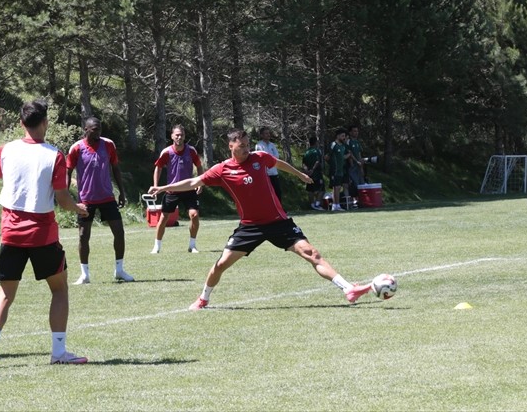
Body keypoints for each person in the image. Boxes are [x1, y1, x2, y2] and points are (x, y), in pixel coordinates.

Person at [149, 129, 379, 310]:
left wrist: (300, 174)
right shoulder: (222, 170)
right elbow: (193, 182)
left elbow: (278, 163)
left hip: (279, 223)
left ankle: (348, 289)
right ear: (231, 147)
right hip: (250, 227)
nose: (246, 149)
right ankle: (203, 299)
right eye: (241, 146)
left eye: (247, 144)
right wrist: (163, 188)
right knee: (220, 265)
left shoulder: (260, 158)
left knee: (312, 254)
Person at [0, 99, 91, 367]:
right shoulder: (54, 155)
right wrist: (78, 208)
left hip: (10, 232)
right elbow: (62, 198)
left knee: (4, 295)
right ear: (45, 122)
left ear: (21, 123)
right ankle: (58, 353)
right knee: (60, 289)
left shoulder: (7, 149)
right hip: (42, 234)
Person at [67, 117, 133, 283]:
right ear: (86, 129)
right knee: (83, 236)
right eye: (95, 129)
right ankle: (85, 275)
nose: (98, 132)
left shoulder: (108, 144)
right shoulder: (76, 148)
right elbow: (67, 172)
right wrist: (66, 196)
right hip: (86, 200)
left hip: (107, 197)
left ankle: (119, 270)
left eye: (100, 129)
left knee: (119, 232)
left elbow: (115, 168)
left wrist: (122, 192)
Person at [151, 124, 203, 254]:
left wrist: (200, 183)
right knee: (164, 218)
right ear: (172, 136)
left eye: (182, 135)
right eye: (177, 135)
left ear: (184, 136)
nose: (179, 137)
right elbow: (158, 168)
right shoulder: (167, 152)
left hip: (189, 190)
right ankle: (157, 246)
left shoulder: (191, 151)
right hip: (172, 191)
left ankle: (192, 245)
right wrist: (156, 186)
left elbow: (199, 166)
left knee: (194, 215)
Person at [252, 127, 283, 202]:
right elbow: (261, 158)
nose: (268, 135)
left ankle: (279, 207)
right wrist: (269, 158)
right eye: (266, 133)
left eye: (269, 133)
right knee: (268, 193)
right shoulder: (259, 145)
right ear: (262, 135)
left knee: (278, 192)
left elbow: (276, 156)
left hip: (274, 172)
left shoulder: (272, 145)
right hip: (266, 173)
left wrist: (269, 158)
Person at [327, 129, 349, 211]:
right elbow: (327, 156)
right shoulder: (333, 144)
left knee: (339, 187)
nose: (344, 137)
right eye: (342, 136)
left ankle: (337, 205)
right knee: (336, 187)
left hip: (341, 170)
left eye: (344, 136)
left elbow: (342, 157)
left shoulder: (343, 146)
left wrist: (349, 155)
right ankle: (335, 205)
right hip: (334, 170)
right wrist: (331, 164)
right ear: (338, 136)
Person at [302, 135, 326, 210]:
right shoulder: (317, 151)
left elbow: (304, 163)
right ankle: (317, 204)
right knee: (322, 189)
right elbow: (317, 161)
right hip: (317, 173)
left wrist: (306, 171)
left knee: (310, 190)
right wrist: (312, 169)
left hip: (309, 174)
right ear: (316, 142)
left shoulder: (306, 152)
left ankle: (312, 205)